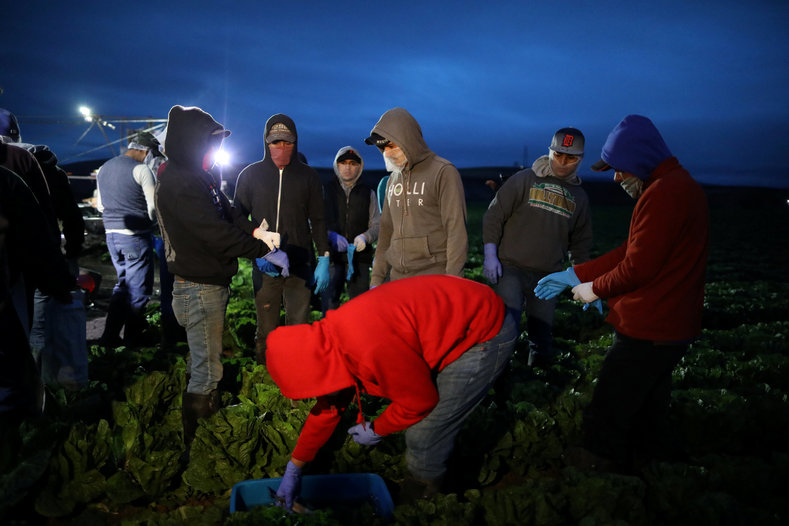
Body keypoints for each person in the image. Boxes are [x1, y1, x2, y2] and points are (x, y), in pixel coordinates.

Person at [534, 114, 709, 472]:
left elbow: (637, 268)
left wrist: (592, 290)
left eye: (619, 169)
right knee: (649, 405)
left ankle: (598, 466)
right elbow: (631, 251)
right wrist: (575, 273)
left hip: (652, 324)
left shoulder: (664, 194)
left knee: (610, 403)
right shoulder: (674, 186)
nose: (616, 178)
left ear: (639, 160)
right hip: (671, 325)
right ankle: (658, 467)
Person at [266, 275, 518, 508]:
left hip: (483, 332)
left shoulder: (371, 349)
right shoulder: (327, 344)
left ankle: (424, 503)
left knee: (424, 434)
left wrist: (378, 428)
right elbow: (328, 409)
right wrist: (295, 467)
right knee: (434, 421)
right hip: (454, 317)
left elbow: (421, 401)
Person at [155, 105, 285, 451]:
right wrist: (261, 251)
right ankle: (200, 448)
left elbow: (227, 212)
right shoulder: (179, 183)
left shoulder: (201, 176)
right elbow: (214, 233)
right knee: (208, 369)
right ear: (192, 141)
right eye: (210, 142)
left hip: (206, 283)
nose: (214, 150)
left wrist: (257, 232)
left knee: (201, 358)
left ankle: (197, 430)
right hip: (197, 287)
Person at [482, 127, 593, 366]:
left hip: (548, 275)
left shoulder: (579, 198)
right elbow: (494, 215)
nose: (563, 163)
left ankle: (539, 380)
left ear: (580, 159)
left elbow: (581, 244)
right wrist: (490, 254)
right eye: (558, 155)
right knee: (505, 326)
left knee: (541, 334)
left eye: (571, 158)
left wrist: (582, 280)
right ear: (549, 152)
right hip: (509, 268)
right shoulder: (524, 179)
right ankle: (495, 377)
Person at [233, 114, 330, 364]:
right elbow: (237, 215)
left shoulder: (308, 176)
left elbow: (319, 220)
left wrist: (323, 258)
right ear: (266, 143)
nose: (281, 148)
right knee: (266, 328)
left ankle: (298, 375)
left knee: (299, 325)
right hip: (266, 263)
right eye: (276, 143)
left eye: (287, 143)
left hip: (300, 263)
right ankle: (266, 375)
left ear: (296, 142)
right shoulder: (250, 175)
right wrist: (257, 238)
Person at [364, 107, 467, 287]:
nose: (386, 153)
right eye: (382, 148)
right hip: (397, 280)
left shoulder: (443, 172)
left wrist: (454, 284)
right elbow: (386, 232)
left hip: (434, 278)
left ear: (407, 140)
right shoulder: (392, 180)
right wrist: (376, 280)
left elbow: (456, 231)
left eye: (391, 146)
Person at [95, 132, 159, 347]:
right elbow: (153, 208)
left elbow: (101, 205)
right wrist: (155, 226)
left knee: (122, 285)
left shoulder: (104, 168)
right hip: (135, 238)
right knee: (139, 290)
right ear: (146, 151)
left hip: (112, 235)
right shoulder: (142, 169)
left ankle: (109, 337)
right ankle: (133, 339)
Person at [320, 146, 380, 312]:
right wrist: (330, 236)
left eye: (353, 163)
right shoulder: (325, 191)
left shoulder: (368, 193)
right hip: (332, 258)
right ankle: (331, 337)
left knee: (360, 308)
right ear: (337, 166)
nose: (348, 167)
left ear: (359, 167)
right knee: (330, 307)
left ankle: (357, 338)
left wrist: (365, 237)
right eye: (343, 163)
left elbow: (377, 225)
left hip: (359, 259)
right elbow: (316, 222)